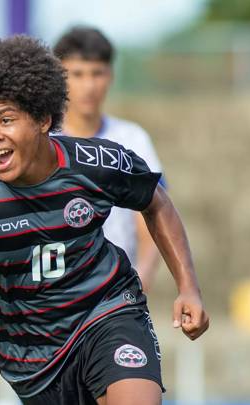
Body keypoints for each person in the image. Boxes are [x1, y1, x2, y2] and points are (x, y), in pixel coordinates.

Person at [0, 36, 209, 405]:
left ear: (44, 119)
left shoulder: (96, 163)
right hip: (32, 356)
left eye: (5, 119)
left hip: (108, 313)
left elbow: (157, 203)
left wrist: (187, 286)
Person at [54, 26, 167, 292]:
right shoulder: (43, 141)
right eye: (77, 74)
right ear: (59, 77)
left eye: (97, 73)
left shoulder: (132, 138)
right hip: (54, 293)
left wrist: (143, 273)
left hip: (115, 290)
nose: (89, 85)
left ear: (111, 75)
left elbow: (154, 212)